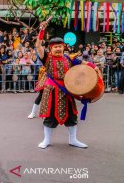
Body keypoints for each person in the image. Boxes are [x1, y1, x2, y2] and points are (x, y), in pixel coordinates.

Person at [34, 18, 101, 149]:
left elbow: (83, 63)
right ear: (51, 48)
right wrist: (42, 30)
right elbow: (38, 46)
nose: (58, 49)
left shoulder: (69, 58)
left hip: (67, 90)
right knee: (50, 117)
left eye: (60, 46)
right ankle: (46, 140)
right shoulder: (46, 57)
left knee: (71, 116)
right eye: (55, 47)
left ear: (63, 47)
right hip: (51, 91)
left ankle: (73, 139)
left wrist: (94, 67)